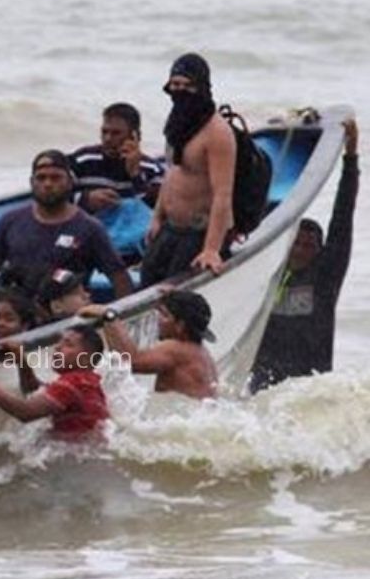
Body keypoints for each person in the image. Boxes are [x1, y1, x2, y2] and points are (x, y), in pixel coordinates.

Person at [251, 117, 360, 391]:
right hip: (263, 380)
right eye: (296, 243)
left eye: (308, 245)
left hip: (310, 383)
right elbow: (261, 216)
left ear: (320, 252)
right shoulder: (269, 271)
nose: (300, 250)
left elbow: (343, 216)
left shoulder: (326, 274)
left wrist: (350, 156)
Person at [0, 150, 132, 306]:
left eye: (56, 178)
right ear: (32, 182)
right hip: (19, 313)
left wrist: (122, 315)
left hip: (66, 315)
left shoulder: (90, 228)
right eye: (41, 178)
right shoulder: (10, 221)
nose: (47, 184)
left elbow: (119, 277)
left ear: (70, 182)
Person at [140, 54, 236, 285]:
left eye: (187, 85)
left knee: (174, 291)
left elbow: (223, 194)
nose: (180, 91)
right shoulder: (177, 123)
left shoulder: (217, 133)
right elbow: (171, 172)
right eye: (175, 85)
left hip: (200, 231)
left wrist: (211, 249)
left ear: (201, 87)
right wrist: (157, 217)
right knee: (148, 279)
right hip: (171, 226)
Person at [0, 325, 109, 439]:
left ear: (85, 359)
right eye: (59, 342)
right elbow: (33, 391)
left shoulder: (73, 382)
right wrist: (22, 361)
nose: (57, 347)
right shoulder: (86, 381)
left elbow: (26, 412)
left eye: (68, 344)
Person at [81, 291, 219, 399]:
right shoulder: (201, 352)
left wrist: (109, 315)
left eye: (164, 315)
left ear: (180, 326)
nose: (158, 320)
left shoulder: (176, 349)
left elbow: (129, 361)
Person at [71, 103, 165, 212]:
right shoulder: (83, 159)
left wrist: (135, 175)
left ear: (135, 136)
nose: (107, 139)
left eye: (116, 133)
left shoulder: (153, 170)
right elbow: (55, 193)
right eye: (104, 132)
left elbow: (155, 210)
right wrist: (85, 199)